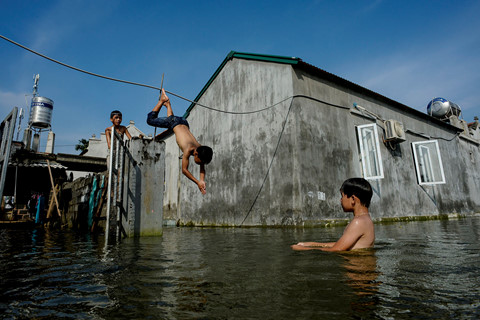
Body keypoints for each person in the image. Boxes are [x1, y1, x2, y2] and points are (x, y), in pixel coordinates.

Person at [147, 89, 213, 194]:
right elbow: (184, 170)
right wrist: (197, 182)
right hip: (175, 122)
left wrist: (202, 180)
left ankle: (168, 104)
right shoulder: (188, 149)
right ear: (195, 153)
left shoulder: (200, 149)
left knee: (173, 126)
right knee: (150, 120)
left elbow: (202, 168)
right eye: (199, 162)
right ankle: (162, 100)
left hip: (183, 122)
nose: (199, 164)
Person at [291, 178, 374, 251]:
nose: (340, 200)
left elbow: (336, 249)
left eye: (342, 196)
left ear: (352, 199)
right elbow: (341, 244)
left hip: (358, 268)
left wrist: (304, 249)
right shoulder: (365, 219)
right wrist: (312, 244)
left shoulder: (358, 222)